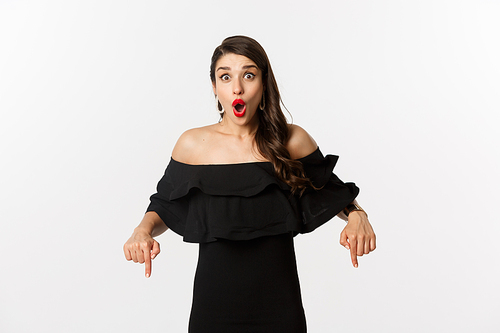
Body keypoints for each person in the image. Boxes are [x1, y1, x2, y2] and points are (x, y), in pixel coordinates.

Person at [123, 35, 376, 333]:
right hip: (213, 311)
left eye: (249, 75)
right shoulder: (192, 144)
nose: (237, 87)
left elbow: (334, 193)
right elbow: (164, 205)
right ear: (215, 88)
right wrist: (141, 231)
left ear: (264, 84)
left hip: (280, 311)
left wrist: (358, 215)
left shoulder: (292, 140)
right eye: (225, 77)